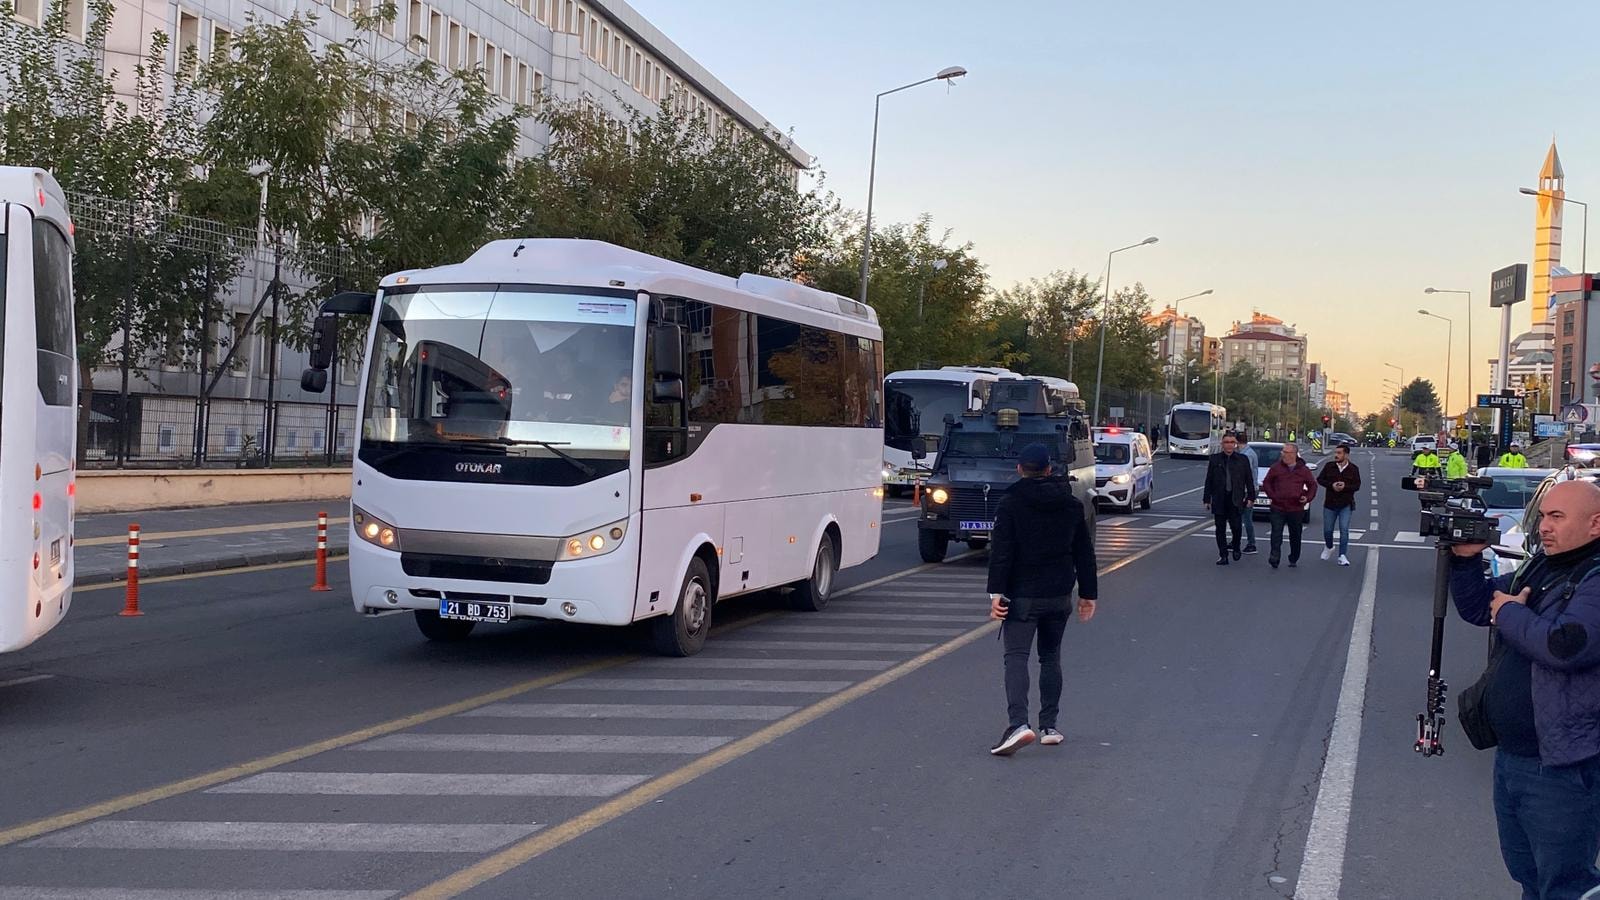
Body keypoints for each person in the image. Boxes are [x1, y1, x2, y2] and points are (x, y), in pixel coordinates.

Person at [1448, 480, 1600, 900]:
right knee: (1529, 876)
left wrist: (1512, 614)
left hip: (1563, 763)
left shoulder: (1594, 577)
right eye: (1543, 516)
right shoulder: (1541, 566)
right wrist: (1465, 562)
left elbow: (1565, 646)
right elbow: (1483, 608)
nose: (1544, 527)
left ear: (1595, 524)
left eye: (1557, 516)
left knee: (1565, 884)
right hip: (1514, 757)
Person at [985, 442, 1098, 756]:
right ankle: (1050, 726)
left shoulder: (1010, 503)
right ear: (1050, 469)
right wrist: (1088, 594)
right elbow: (1084, 553)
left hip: (1022, 595)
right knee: (1050, 658)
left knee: (1016, 657)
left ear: (1020, 470)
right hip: (1059, 594)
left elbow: (1002, 553)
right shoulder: (1071, 504)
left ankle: (1018, 724)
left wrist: (996, 593)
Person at [1261, 441, 1317, 568]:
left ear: (1294, 454)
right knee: (1276, 533)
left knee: (1295, 534)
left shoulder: (1303, 470)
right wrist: (1273, 496)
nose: (1283, 454)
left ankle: (1294, 557)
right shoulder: (1276, 468)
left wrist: (1307, 498)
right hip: (1278, 506)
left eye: (1286, 452)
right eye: (1283, 452)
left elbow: (1312, 485)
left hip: (1296, 507)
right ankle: (1274, 556)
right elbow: (1267, 483)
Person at [1202, 433, 1255, 566]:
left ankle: (1236, 546)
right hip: (1219, 498)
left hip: (1235, 499)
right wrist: (1207, 499)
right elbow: (1209, 480)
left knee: (1236, 527)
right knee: (1220, 528)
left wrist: (1251, 497)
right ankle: (1223, 555)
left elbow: (1249, 479)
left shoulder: (1242, 459)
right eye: (1226, 442)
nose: (1229, 445)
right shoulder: (1215, 459)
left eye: (1232, 442)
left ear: (1235, 444)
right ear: (1222, 444)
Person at [1316, 443, 1360, 566]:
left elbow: (1357, 485)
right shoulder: (1329, 466)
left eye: (1339, 453)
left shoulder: (1353, 469)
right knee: (1328, 530)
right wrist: (1332, 485)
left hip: (1346, 504)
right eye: (1336, 453)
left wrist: (1345, 487)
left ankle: (1342, 555)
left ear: (1346, 455)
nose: (1336, 455)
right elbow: (1320, 479)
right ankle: (1329, 547)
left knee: (1344, 530)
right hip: (1330, 503)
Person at [1234, 431, 1260, 553]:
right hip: (1248, 489)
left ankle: (1251, 543)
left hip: (1247, 490)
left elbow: (1245, 474)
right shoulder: (1247, 452)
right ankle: (1236, 541)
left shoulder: (1247, 455)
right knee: (1237, 517)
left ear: (1237, 442)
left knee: (1246, 518)